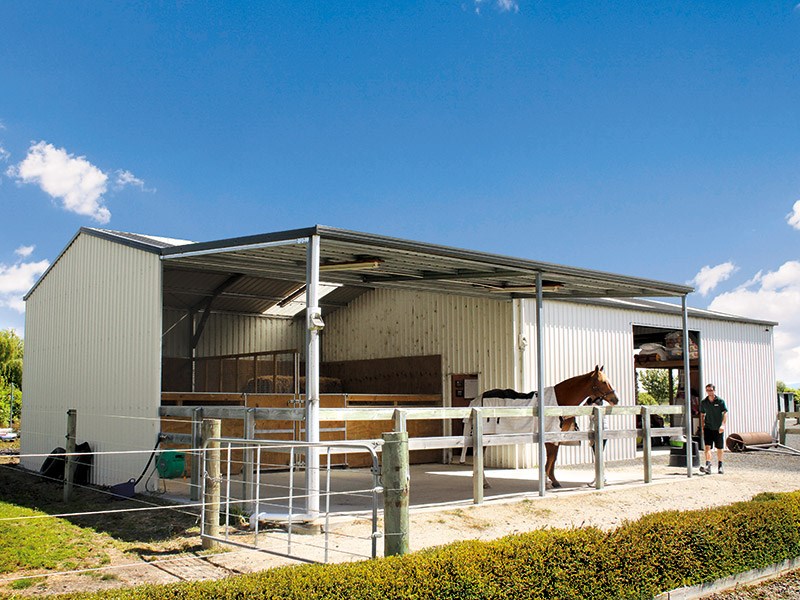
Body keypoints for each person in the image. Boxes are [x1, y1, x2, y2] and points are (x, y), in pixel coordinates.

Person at [699, 384, 728, 474]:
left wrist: (723, 425)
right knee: (707, 447)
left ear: (714, 391)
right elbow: (702, 415)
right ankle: (708, 465)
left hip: (718, 428)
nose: (709, 392)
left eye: (711, 390)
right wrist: (703, 427)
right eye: (707, 390)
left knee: (719, 448)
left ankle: (720, 465)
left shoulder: (720, 401)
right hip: (708, 427)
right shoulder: (704, 402)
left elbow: (725, 413)